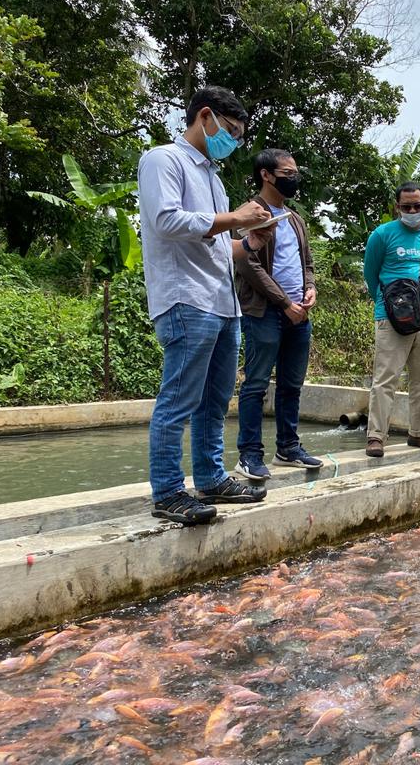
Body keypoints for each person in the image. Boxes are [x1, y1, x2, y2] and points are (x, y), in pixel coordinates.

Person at [138, 86, 271, 526]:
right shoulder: (163, 160)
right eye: (229, 131)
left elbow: (214, 245)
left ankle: (211, 478)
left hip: (221, 302)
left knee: (214, 401)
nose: (230, 141)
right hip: (185, 299)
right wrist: (235, 218)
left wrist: (247, 240)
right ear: (205, 116)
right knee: (178, 399)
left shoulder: (211, 175)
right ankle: (168, 491)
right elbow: (165, 221)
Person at [233, 148, 320, 480]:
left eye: (295, 172)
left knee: (291, 384)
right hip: (264, 312)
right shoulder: (248, 213)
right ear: (266, 175)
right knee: (255, 384)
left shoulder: (295, 218)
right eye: (287, 173)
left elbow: (306, 264)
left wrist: (310, 289)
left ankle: (288, 448)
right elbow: (247, 263)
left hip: (299, 313)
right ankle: (250, 455)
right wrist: (285, 303)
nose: (293, 178)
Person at [362, 181, 420, 458]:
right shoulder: (382, 235)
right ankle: (376, 437)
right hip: (390, 318)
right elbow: (370, 274)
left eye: (417, 206)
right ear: (397, 207)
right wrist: (387, 307)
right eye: (406, 206)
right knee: (386, 379)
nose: (412, 210)